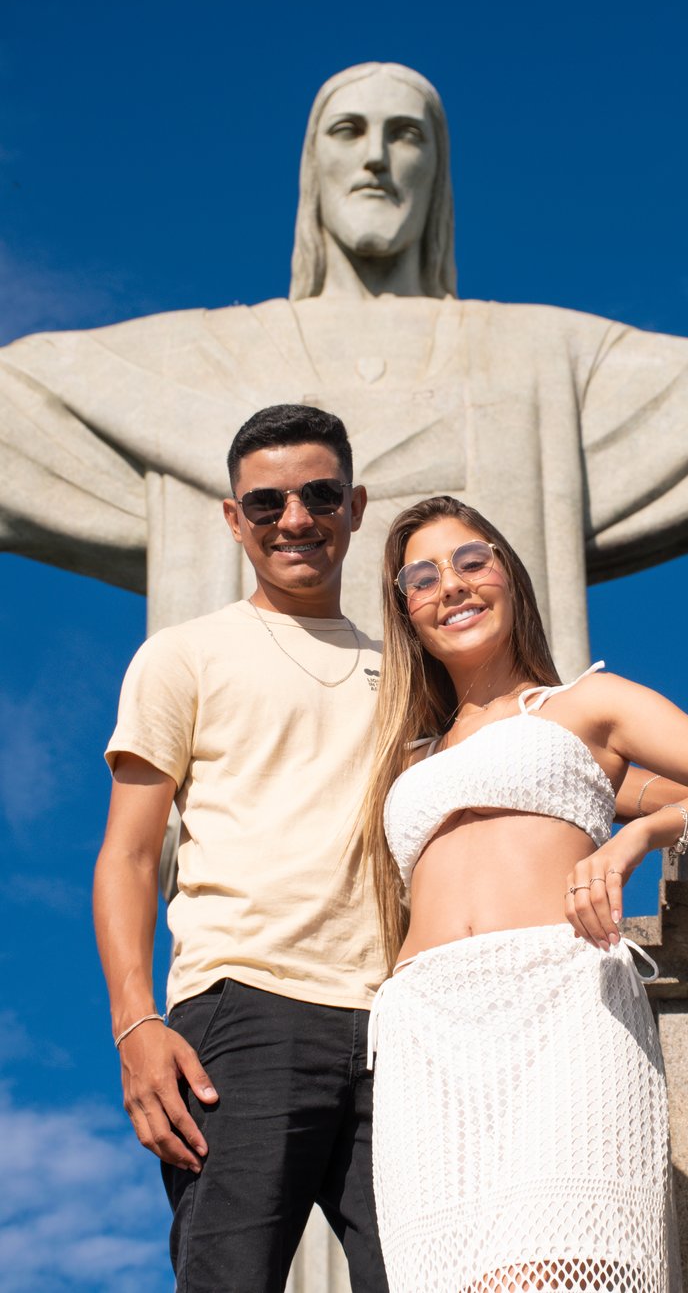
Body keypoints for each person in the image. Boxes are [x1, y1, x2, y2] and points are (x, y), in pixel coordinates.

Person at [0, 62, 688, 675]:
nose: (378, 158)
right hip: (271, 842)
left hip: (485, 810)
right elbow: (22, 405)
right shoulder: (202, 359)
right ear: (313, 170)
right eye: (349, 132)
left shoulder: (534, 358)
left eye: (407, 136)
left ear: (437, 173)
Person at [360, 495, 688, 1293]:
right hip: (426, 1033)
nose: (452, 587)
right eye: (422, 577)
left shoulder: (587, 705)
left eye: (472, 561)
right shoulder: (404, 755)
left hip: (561, 1009)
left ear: (510, 576)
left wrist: (640, 833)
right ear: (406, 611)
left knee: (562, 1271)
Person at [93, 404, 389, 1293]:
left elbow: (558, 762)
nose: (294, 519)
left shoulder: (412, 670)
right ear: (234, 517)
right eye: (266, 503)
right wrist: (135, 1023)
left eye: (319, 494)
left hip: (403, 1026)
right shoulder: (184, 656)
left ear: (356, 505)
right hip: (244, 1011)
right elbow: (130, 856)